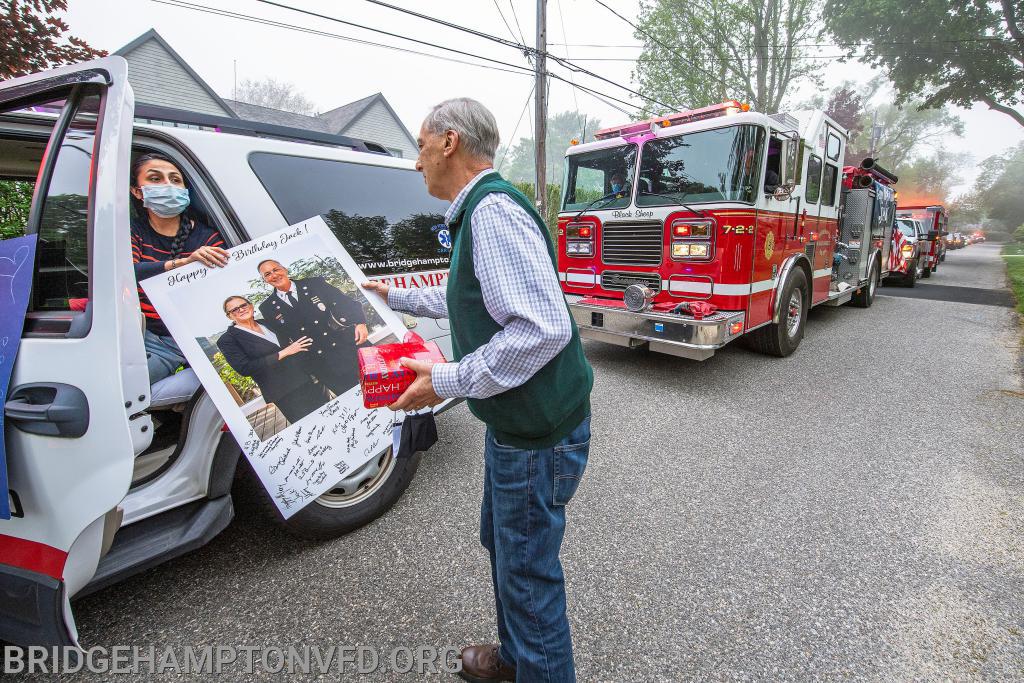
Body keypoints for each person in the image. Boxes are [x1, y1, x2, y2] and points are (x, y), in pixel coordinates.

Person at [363, 98, 594, 683]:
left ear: (448, 143)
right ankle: (516, 660)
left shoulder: (491, 212)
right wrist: (396, 296)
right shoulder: (481, 211)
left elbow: (540, 329)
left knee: (526, 569)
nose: (417, 163)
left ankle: (538, 670)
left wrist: (443, 380)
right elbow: (475, 297)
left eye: (420, 146)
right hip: (524, 424)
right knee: (506, 545)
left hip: (535, 434)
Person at [130, 152, 229, 384]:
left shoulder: (209, 237)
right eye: (155, 179)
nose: (168, 185)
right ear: (137, 191)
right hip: (154, 339)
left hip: (201, 336)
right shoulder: (132, 231)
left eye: (175, 180)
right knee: (129, 391)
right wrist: (181, 264)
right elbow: (128, 273)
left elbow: (222, 283)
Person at [256, 260, 368, 396]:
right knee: (353, 398)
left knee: (385, 384)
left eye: (276, 269)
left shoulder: (314, 283)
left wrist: (360, 323)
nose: (274, 275)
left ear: (285, 269)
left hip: (349, 345)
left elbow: (345, 302)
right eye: (267, 274)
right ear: (265, 280)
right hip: (322, 362)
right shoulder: (267, 307)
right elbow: (283, 338)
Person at [215, 296, 328, 425]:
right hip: (284, 392)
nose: (240, 310)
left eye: (243, 305)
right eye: (234, 309)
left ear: (251, 306)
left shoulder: (267, 322)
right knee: (312, 428)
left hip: (309, 379)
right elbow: (245, 368)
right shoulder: (227, 340)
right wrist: (285, 352)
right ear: (229, 316)